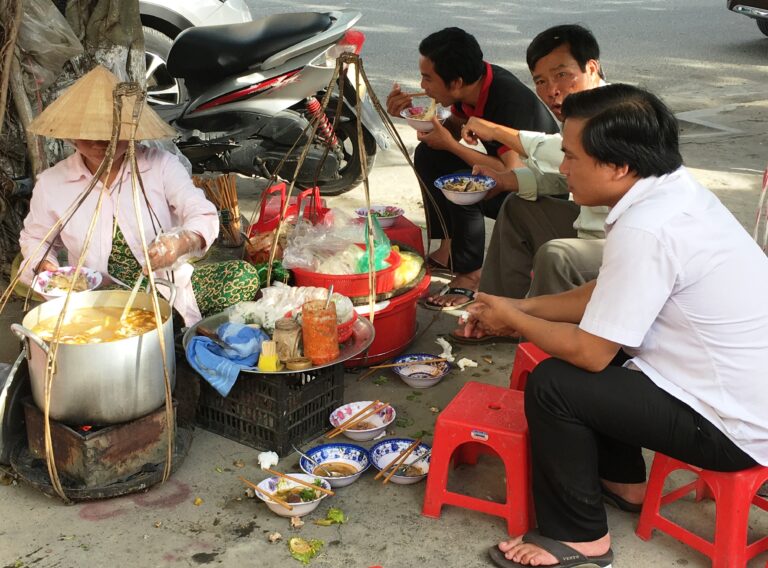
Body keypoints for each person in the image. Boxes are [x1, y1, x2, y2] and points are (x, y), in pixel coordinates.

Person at [465, 84, 768, 568]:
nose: (562, 168)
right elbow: (604, 296)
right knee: (609, 351)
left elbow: (590, 353)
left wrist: (515, 320)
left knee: (555, 383)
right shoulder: (672, 192)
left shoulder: (647, 226)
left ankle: (580, 539)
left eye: (571, 156)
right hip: (739, 395)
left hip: (732, 426)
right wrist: (522, 306)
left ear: (619, 166)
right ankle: (625, 483)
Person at [19, 65, 259, 326]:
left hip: (165, 284)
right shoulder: (53, 183)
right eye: (89, 132)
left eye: (113, 133)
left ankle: (170, 320)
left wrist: (182, 242)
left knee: (242, 275)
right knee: (102, 321)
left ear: (132, 131)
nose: (101, 142)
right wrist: (47, 267)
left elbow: (201, 213)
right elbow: (36, 238)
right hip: (97, 296)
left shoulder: (160, 165)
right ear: (70, 134)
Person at [451, 25, 607, 341]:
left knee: (557, 254)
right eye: (541, 81)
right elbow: (566, 172)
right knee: (518, 207)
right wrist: (506, 181)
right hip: (588, 224)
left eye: (563, 75)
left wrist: (496, 131)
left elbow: (556, 152)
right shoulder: (579, 112)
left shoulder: (615, 110)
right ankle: (492, 311)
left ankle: (534, 338)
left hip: (620, 240)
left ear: (591, 68)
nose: (552, 90)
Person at [386, 27, 559, 309]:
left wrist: (451, 145)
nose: (423, 85)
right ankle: (449, 248)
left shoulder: (507, 99)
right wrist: (420, 119)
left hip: (540, 193)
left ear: (455, 82)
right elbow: (455, 130)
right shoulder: (473, 85)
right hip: (511, 177)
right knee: (429, 155)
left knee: (463, 185)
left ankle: (471, 274)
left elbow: (509, 174)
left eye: (428, 78)